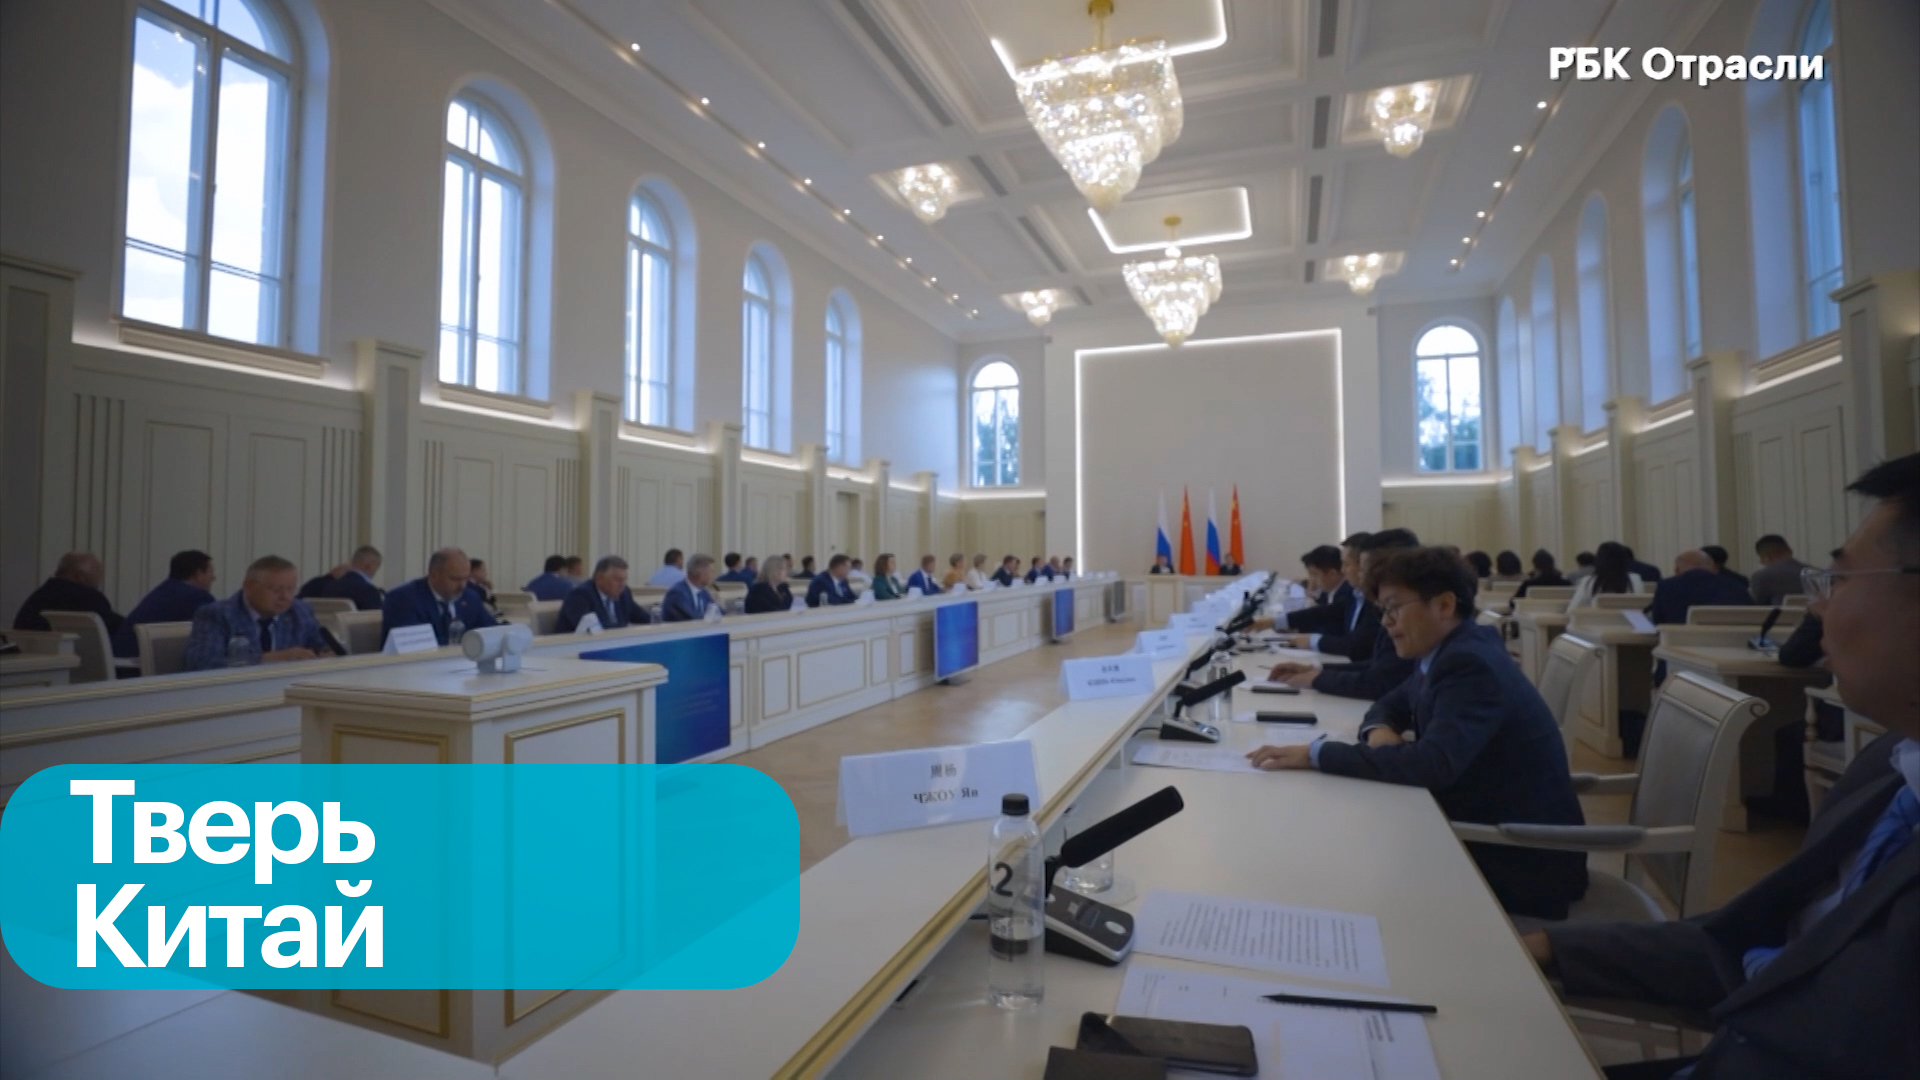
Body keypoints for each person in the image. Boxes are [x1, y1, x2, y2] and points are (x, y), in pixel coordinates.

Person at [1520, 452, 1920, 1080]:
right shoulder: (1888, 768)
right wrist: (1547, 947)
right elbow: (1744, 945)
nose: (1817, 607)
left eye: (1838, 580)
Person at [1250, 547, 1589, 920]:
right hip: (1476, 825)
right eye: (1382, 610)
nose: (1385, 622)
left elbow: (1431, 765)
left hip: (1518, 860)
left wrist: (1316, 754)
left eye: (1394, 608)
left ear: (1444, 605)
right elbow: (1388, 703)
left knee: (1331, 868)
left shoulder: (1469, 663)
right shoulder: (1448, 648)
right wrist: (1380, 732)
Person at [1265, 530, 1423, 700]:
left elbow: (1379, 679)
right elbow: (1378, 668)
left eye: (1364, 570)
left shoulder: (1400, 614)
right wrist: (1316, 671)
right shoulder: (1379, 604)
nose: (1344, 572)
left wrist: (1318, 678)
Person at [181, 555, 331, 671]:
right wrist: (270, 659)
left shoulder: (300, 611)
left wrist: (327, 653)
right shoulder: (217, 614)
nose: (285, 597)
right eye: (276, 590)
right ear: (249, 587)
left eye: (291, 589)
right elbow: (201, 663)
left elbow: (321, 647)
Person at [381, 547, 497, 646]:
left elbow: (492, 631)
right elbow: (413, 644)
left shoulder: (470, 597)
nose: (462, 586)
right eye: (455, 579)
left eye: (466, 579)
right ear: (434, 574)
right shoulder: (403, 599)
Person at [114, 549, 218, 657]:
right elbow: (217, 631)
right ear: (198, 574)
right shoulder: (197, 596)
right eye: (211, 571)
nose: (214, 577)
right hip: (139, 663)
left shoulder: (166, 589)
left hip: (122, 658)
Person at [13, 552, 124, 637]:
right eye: (94, 581)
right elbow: (120, 628)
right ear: (81, 578)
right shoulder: (86, 597)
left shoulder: (40, 596)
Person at [1647, 549, 1754, 626]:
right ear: (1714, 568)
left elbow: (1658, 621)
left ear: (1677, 570)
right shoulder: (1737, 586)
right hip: (1732, 645)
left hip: (1679, 644)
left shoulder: (1666, 587)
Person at [556, 556, 652, 633]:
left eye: (624, 580)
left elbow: (643, 618)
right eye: (618, 580)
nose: (622, 585)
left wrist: (656, 619)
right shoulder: (579, 596)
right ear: (599, 578)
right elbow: (592, 630)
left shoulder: (624, 593)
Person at [1567, 541, 1643, 611]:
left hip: (1597, 620)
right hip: (1628, 621)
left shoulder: (1589, 581)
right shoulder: (1635, 579)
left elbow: (1572, 609)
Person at [1749, 533, 1810, 605]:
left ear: (1767, 557)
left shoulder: (1761, 577)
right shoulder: (1815, 573)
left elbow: (1754, 606)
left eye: (1761, 559)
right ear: (1790, 551)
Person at [321, 546, 385, 611]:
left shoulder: (330, 588)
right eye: (376, 568)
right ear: (368, 566)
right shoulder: (369, 591)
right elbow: (378, 616)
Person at [661, 554, 722, 622]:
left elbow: (720, 612)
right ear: (699, 572)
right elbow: (692, 618)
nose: (714, 575)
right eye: (711, 571)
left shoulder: (703, 592)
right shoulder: (677, 593)